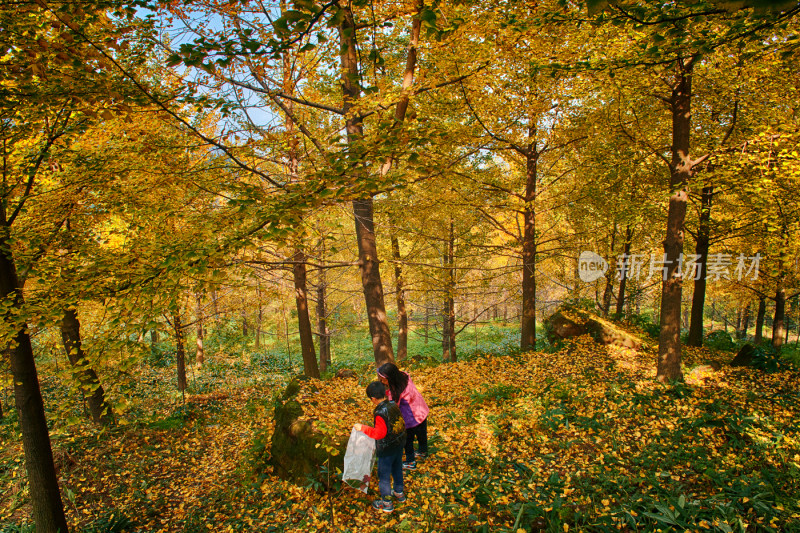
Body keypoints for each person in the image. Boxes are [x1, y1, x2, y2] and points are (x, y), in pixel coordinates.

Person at [354, 381, 407, 513]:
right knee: (397, 468)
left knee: (384, 476)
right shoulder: (393, 404)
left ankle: (387, 502)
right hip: (398, 444)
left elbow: (379, 434)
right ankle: (399, 493)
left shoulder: (380, 413)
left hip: (387, 449)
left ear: (373, 399)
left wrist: (363, 428)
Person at [377, 362, 429, 470]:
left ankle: (410, 462)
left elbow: (393, 406)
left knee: (407, 441)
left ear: (391, 378)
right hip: (422, 411)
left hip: (411, 418)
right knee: (422, 434)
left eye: (383, 379)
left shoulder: (398, 392)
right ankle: (423, 452)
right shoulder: (404, 377)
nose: (381, 381)